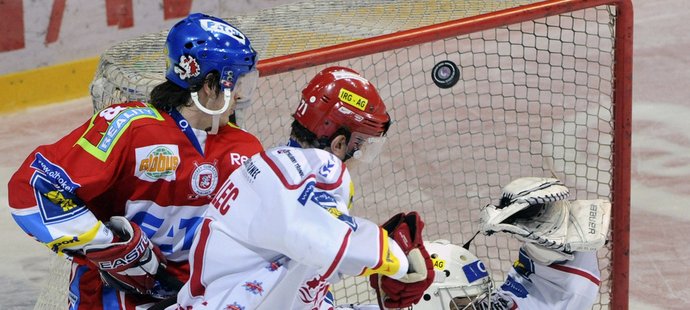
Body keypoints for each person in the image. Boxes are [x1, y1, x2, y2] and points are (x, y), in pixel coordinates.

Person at [7, 13, 263, 309]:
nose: (242, 93)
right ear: (208, 84)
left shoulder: (245, 147)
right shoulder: (129, 128)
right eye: (237, 79)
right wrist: (105, 243)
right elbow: (32, 188)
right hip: (112, 299)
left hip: (199, 299)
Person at [173, 66, 436, 310]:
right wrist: (396, 260)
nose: (361, 159)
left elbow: (306, 256)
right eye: (362, 146)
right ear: (339, 144)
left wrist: (376, 256)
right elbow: (322, 243)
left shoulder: (278, 165)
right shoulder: (315, 169)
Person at [404, 177, 611, 310]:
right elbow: (574, 287)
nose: (476, 305)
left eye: (474, 299)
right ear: (429, 299)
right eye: (461, 302)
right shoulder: (568, 291)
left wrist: (545, 249)